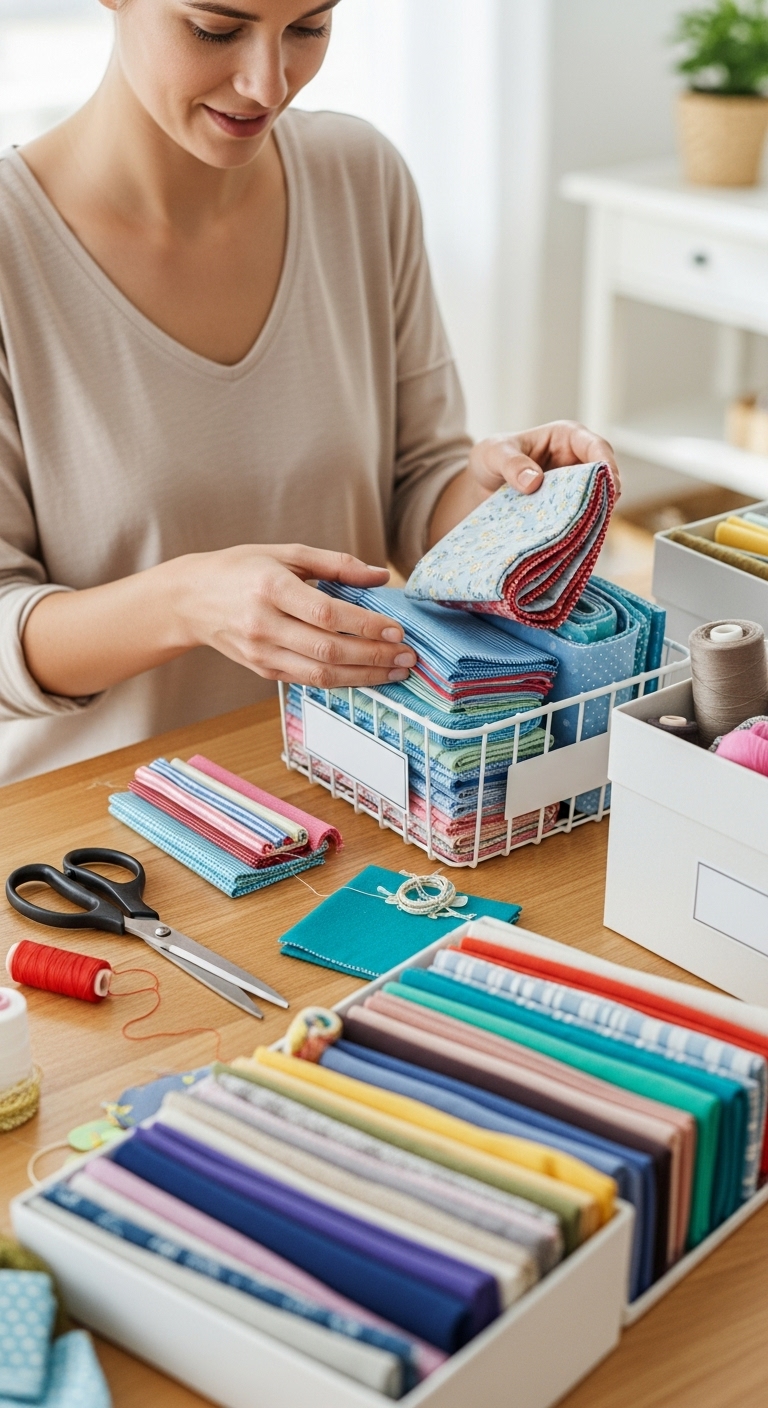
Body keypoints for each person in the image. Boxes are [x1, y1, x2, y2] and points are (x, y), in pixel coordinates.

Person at [0, 0, 619, 786]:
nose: (268, 83)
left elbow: (412, 490)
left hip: (365, 784)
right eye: (216, 29)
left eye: (308, 27)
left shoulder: (359, 177)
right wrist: (185, 603)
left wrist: (505, 498)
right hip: (109, 808)